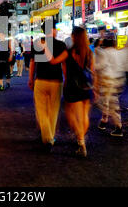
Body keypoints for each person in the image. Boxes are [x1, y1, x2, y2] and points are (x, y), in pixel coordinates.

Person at [44, 26, 94, 157]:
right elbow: (93, 72)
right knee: (84, 116)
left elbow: (54, 62)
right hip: (87, 87)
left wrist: (45, 49)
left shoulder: (69, 52)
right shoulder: (89, 52)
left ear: (74, 37)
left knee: (72, 115)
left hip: (73, 87)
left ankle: (81, 142)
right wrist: (97, 88)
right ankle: (81, 137)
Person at [28, 19, 67, 153]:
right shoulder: (61, 45)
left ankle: (48, 137)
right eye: (56, 28)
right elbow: (63, 65)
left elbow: (33, 63)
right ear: (52, 30)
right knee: (53, 110)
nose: (57, 31)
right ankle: (50, 137)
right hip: (56, 81)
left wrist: (31, 79)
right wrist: (66, 79)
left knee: (41, 111)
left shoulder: (37, 43)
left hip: (41, 80)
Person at [95, 36, 126, 137]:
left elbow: (101, 65)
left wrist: (92, 66)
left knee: (108, 103)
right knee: (110, 102)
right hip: (117, 80)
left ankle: (117, 127)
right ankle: (104, 121)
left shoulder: (104, 53)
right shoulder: (118, 53)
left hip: (107, 80)